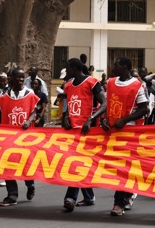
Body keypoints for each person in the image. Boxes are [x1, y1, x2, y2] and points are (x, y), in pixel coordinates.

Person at [60, 58, 107, 212]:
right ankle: (89, 196)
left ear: (74, 68)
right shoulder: (68, 85)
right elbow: (67, 107)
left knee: (76, 163)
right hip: (72, 131)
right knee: (79, 164)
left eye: (67, 68)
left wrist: (91, 119)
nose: (66, 72)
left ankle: (71, 197)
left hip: (88, 131)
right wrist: (66, 117)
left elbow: (104, 103)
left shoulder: (91, 82)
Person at [106, 56, 149, 216]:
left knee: (122, 168)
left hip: (129, 133)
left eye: (116, 64)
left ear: (124, 67)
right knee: (116, 168)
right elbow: (107, 103)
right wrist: (103, 120)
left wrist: (124, 120)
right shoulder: (110, 83)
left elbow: (144, 109)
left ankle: (118, 203)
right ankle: (129, 192)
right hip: (111, 131)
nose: (113, 66)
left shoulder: (137, 86)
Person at [0, 68, 40, 206]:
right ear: (11, 79)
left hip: (25, 136)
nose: (21, 80)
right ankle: (12, 195)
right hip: (9, 137)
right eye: (18, 77)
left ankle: (30, 184)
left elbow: (35, 112)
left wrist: (28, 121)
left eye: (23, 77)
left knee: (25, 164)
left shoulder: (30, 94)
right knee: (7, 163)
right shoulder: (4, 97)